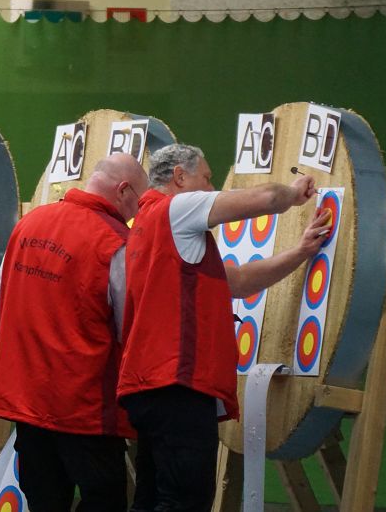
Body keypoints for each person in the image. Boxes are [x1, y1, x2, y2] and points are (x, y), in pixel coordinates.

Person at [117, 144, 332, 512]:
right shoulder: (176, 208)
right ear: (179, 177)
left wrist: (299, 252)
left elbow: (240, 281)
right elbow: (266, 198)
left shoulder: (149, 227)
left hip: (152, 387)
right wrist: (294, 194)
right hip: (178, 384)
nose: (210, 186)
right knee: (185, 501)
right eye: (206, 177)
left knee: (154, 498)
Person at [0, 153, 150, 512]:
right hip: (85, 409)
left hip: (28, 402)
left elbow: (0, 307)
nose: (135, 213)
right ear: (123, 190)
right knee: (104, 501)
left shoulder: (29, 224)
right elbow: (130, 332)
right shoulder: (116, 242)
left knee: (44, 500)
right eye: (138, 202)